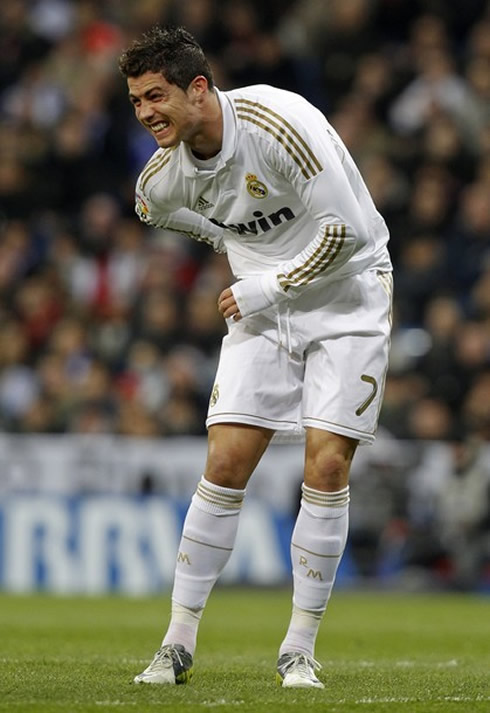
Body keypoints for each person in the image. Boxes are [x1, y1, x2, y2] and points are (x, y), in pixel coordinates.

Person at [118, 25, 393, 690]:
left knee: (326, 463)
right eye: (134, 101)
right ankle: (176, 642)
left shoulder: (280, 123)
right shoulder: (162, 182)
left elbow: (347, 230)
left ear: (199, 88)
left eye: (156, 96)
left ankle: (298, 648)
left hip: (348, 298)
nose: (145, 112)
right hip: (263, 312)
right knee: (225, 461)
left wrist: (266, 283)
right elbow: (155, 210)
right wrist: (237, 253)